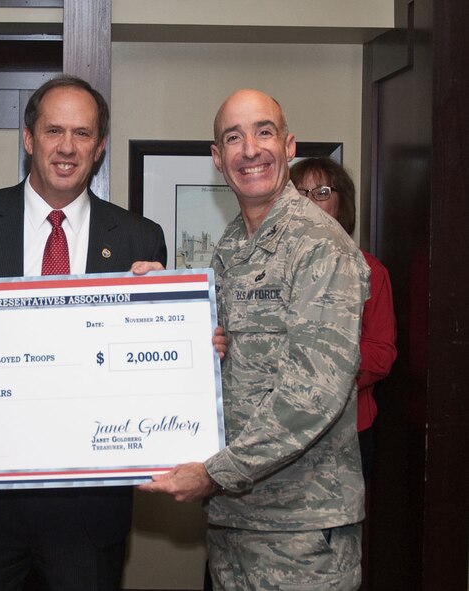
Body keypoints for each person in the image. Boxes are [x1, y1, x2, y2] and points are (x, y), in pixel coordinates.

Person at [0, 75, 166, 591]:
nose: (66, 147)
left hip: (86, 506)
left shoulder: (139, 239)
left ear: (100, 147)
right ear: (28, 138)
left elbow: (149, 364)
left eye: (82, 134)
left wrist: (181, 341)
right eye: (54, 130)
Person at [141, 89, 370, 590]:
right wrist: (157, 303)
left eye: (263, 132)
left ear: (289, 146)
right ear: (217, 158)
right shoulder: (232, 247)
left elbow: (314, 392)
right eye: (233, 137)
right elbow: (222, 353)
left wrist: (215, 472)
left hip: (300, 533)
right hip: (237, 526)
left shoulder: (318, 245)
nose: (250, 149)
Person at [289, 157, 397, 479]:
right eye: (299, 193)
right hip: (280, 431)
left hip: (345, 433)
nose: (309, 202)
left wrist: (323, 368)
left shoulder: (369, 272)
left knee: (337, 531)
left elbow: (381, 353)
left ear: (341, 203)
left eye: (321, 192)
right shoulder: (269, 271)